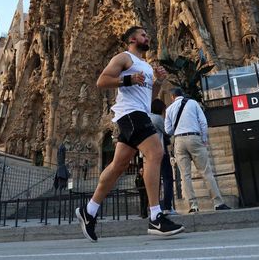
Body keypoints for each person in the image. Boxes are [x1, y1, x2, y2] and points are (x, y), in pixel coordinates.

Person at [75, 26, 184, 241]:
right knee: (155, 154)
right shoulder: (124, 58)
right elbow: (102, 81)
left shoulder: (145, 66)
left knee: (118, 166)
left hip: (138, 112)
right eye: (144, 34)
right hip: (130, 114)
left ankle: (89, 211)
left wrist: (159, 82)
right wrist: (128, 80)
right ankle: (155, 216)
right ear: (132, 39)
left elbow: (149, 98)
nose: (147, 37)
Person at [165, 87, 231, 213]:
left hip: (179, 140)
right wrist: (204, 138)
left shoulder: (169, 109)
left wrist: (178, 128)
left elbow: (168, 130)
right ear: (182, 94)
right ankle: (218, 203)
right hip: (194, 137)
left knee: (185, 176)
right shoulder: (193, 103)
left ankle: (193, 206)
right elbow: (203, 122)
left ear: (172, 97)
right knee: (206, 172)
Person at [149, 98, 176, 215]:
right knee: (167, 178)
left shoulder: (146, 118)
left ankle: (154, 207)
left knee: (154, 180)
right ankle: (167, 206)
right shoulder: (157, 119)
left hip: (148, 153)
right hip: (159, 152)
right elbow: (168, 131)